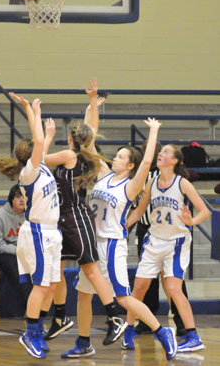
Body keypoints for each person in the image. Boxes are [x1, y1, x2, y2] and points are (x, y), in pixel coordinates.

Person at [61, 103, 179, 361]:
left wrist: (154, 132)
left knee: (123, 297)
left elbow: (148, 161)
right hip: (92, 243)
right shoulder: (103, 175)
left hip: (112, 245)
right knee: (82, 294)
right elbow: (88, 139)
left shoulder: (131, 185)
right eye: (116, 155)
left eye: (121, 157)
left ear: (130, 165)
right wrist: (92, 104)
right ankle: (83, 343)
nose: (115, 158)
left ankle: (162, 332)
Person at [40, 78, 127, 348]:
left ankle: (114, 318)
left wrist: (47, 137)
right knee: (59, 269)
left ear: (70, 139)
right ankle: (59, 317)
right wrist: (92, 102)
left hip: (76, 217)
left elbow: (39, 159)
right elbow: (91, 130)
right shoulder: (84, 154)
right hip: (63, 219)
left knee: (90, 269)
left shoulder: (70, 153)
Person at [126, 144, 211, 352]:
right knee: (138, 288)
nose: (160, 154)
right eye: (160, 151)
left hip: (176, 242)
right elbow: (139, 210)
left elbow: (205, 211)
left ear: (174, 160)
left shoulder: (182, 183)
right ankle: (128, 331)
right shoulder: (152, 182)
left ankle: (193, 336)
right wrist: (123, 226)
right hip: (154, 239)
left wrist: (191, 221)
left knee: (173, 288)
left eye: (165, 152)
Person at [0, 97, 62, 360]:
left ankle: (39, 328)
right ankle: (30, 332)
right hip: (37, 233)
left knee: (53, 285)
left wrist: (45, 129)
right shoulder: (29, 173)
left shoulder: (42, 164)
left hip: (52, 232)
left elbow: (39, 144)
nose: (42, 146)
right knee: (42, 286)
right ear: (31, 156)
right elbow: (37, 142)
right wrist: (32, 111)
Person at [128, 141, 188, 337]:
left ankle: (181, 321)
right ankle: (147, 320)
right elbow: (135, 206)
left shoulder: (167, 177)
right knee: (146, 278)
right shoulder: (139, 175)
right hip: (145, 228)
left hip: (168, 230)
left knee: (171, 280)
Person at [0, 184, 32, 309]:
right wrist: (19, 251)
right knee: (17, 267)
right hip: (5, 254)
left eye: (23, 197)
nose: (21, 200)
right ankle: (32, 305)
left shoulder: (30, 215)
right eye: (18, 197)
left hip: (26, 252)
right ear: (11, 199)